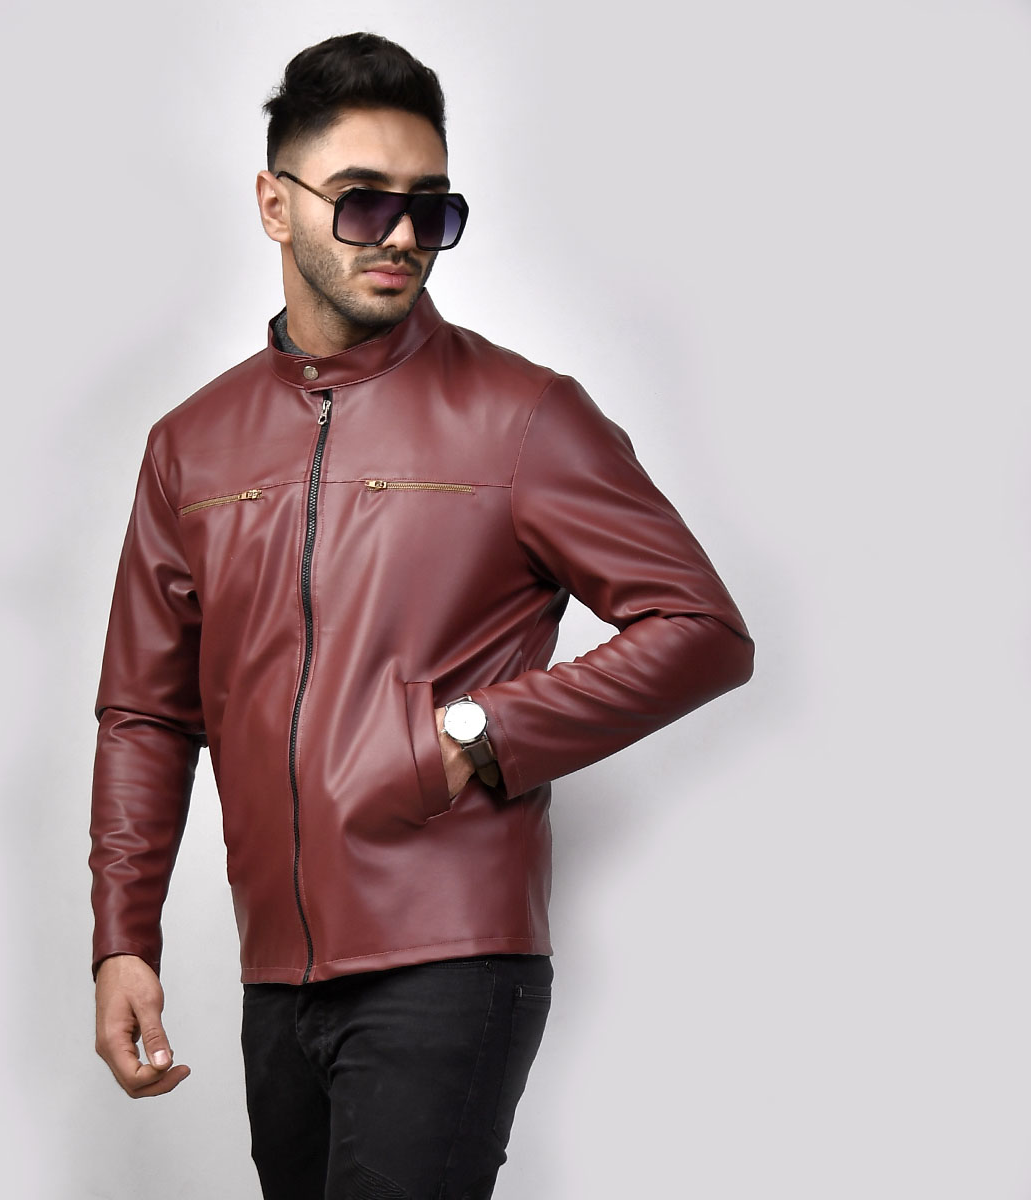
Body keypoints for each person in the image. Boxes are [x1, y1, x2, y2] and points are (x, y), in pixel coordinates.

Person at [90, 31, 754, 1200]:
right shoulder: (191, 445)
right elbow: (147, 712)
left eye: (429, 208)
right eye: (361, 202)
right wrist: (122, 940)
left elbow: (700, 628)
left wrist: (472, 736)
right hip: (276, 975)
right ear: (274, 205)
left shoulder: (523, 416)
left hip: (450, 955)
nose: (400, 235)